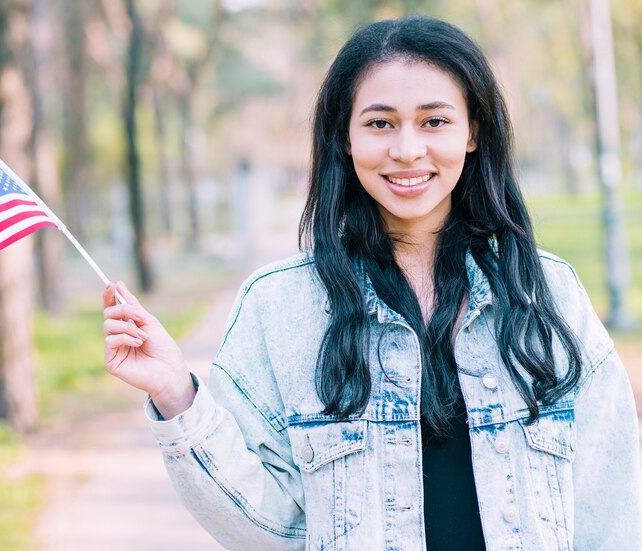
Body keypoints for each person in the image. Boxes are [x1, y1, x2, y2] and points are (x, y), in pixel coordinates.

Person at [102, 16, 642, 551]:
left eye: (434, 121)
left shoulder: (547, 294)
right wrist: (175, 393)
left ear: (472, 131)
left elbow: (612, 506)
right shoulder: (280, 307)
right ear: (346, 137)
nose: (407, 150)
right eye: (380, 123)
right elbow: (268, 531)